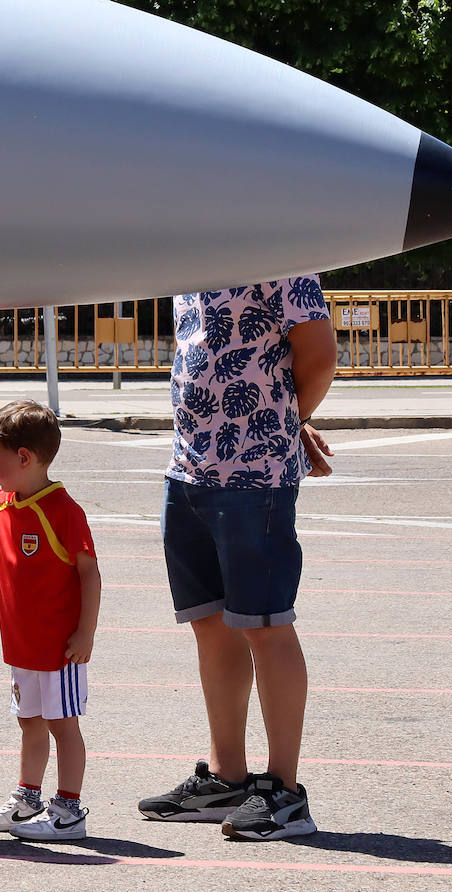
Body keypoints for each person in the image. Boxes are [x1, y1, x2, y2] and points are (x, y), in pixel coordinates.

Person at [138, 276, 336, 841]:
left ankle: (285, 794)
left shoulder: (280, 255)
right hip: (190, 470)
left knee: (266, 625)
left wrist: (285, 424)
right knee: (211, 621)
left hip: (256, 477)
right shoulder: (189, 260)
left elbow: (319, 356)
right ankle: (227, 777)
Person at [0, 401, 100, 841]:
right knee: (29, 722)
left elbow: (89, 572)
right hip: (22, 646)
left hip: (59, 647)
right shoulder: (1, 504)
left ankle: (69, 810)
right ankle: (28, 801)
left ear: (24, 458)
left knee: (63, 725)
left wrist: (85, 633)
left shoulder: (63, 510)